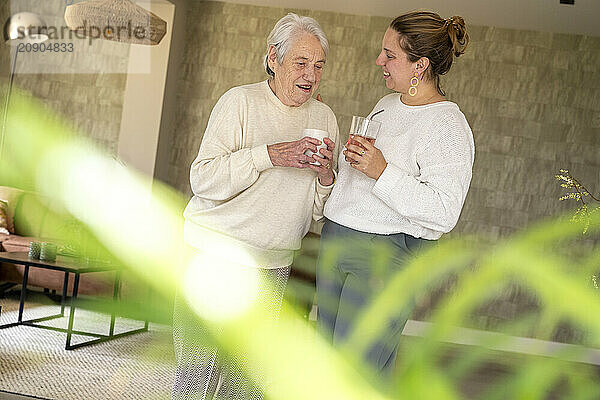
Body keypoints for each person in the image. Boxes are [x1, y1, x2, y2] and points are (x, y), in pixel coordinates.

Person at [173, 13, 339, 400]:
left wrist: (327, 177)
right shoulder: (239, 102)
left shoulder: (324, 118)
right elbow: (204, 179)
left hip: (273, 262)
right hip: (213, 255)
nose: (310, 75)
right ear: (273, 58)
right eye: (300, 63)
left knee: (246, 381)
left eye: (318, 66)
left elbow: (316, 209)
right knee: (197, 373)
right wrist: (271, 154)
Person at [316, 11, 474, 375]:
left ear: (419, 64)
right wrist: (334, 169)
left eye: (390, 55)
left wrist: (381, 170)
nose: (379, 62)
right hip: (337, 241)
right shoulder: (387, 105)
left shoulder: (447, 125)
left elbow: (444, 210)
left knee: (353, 375)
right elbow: (364, 185)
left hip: (382, 258)